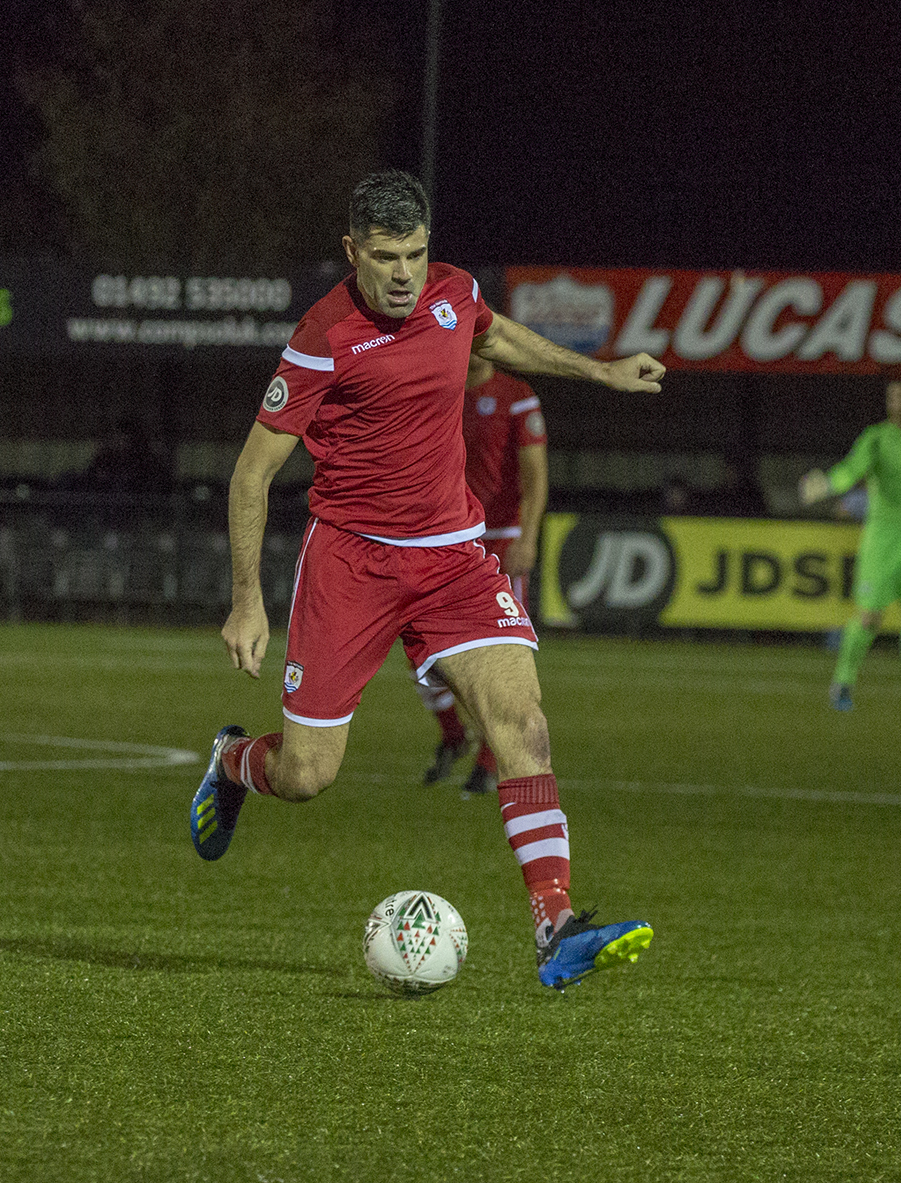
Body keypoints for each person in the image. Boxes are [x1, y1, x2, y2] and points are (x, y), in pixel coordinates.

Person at [187, 170, 664, 991]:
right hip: (353, 562)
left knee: (524, 724)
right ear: (352, 252)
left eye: (415, 252)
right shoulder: (322, 336)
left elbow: (494, 335)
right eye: (384, 257)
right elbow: (250, 475)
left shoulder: (454, 294)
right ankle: (231, 761)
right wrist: (245, 600)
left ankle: (556, 926)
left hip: (453, 557)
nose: (404, 272)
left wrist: (600, 373)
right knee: (307, 774)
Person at [414, 354, 548, 798]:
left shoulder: (516, 396)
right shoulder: (438, 386)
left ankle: (489, 764)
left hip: (500, 538)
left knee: (502, 656)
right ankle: (453, 735)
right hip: (441, 538)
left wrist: (527, 540)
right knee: (418, 649)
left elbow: (535, 478)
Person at [799, 377, 901, 712]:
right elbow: (851, 470)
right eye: (895, 398)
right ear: (889, 404)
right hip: (883, 538)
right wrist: (828, 484)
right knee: (870, 616)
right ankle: (842, 683)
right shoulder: (876, 438)